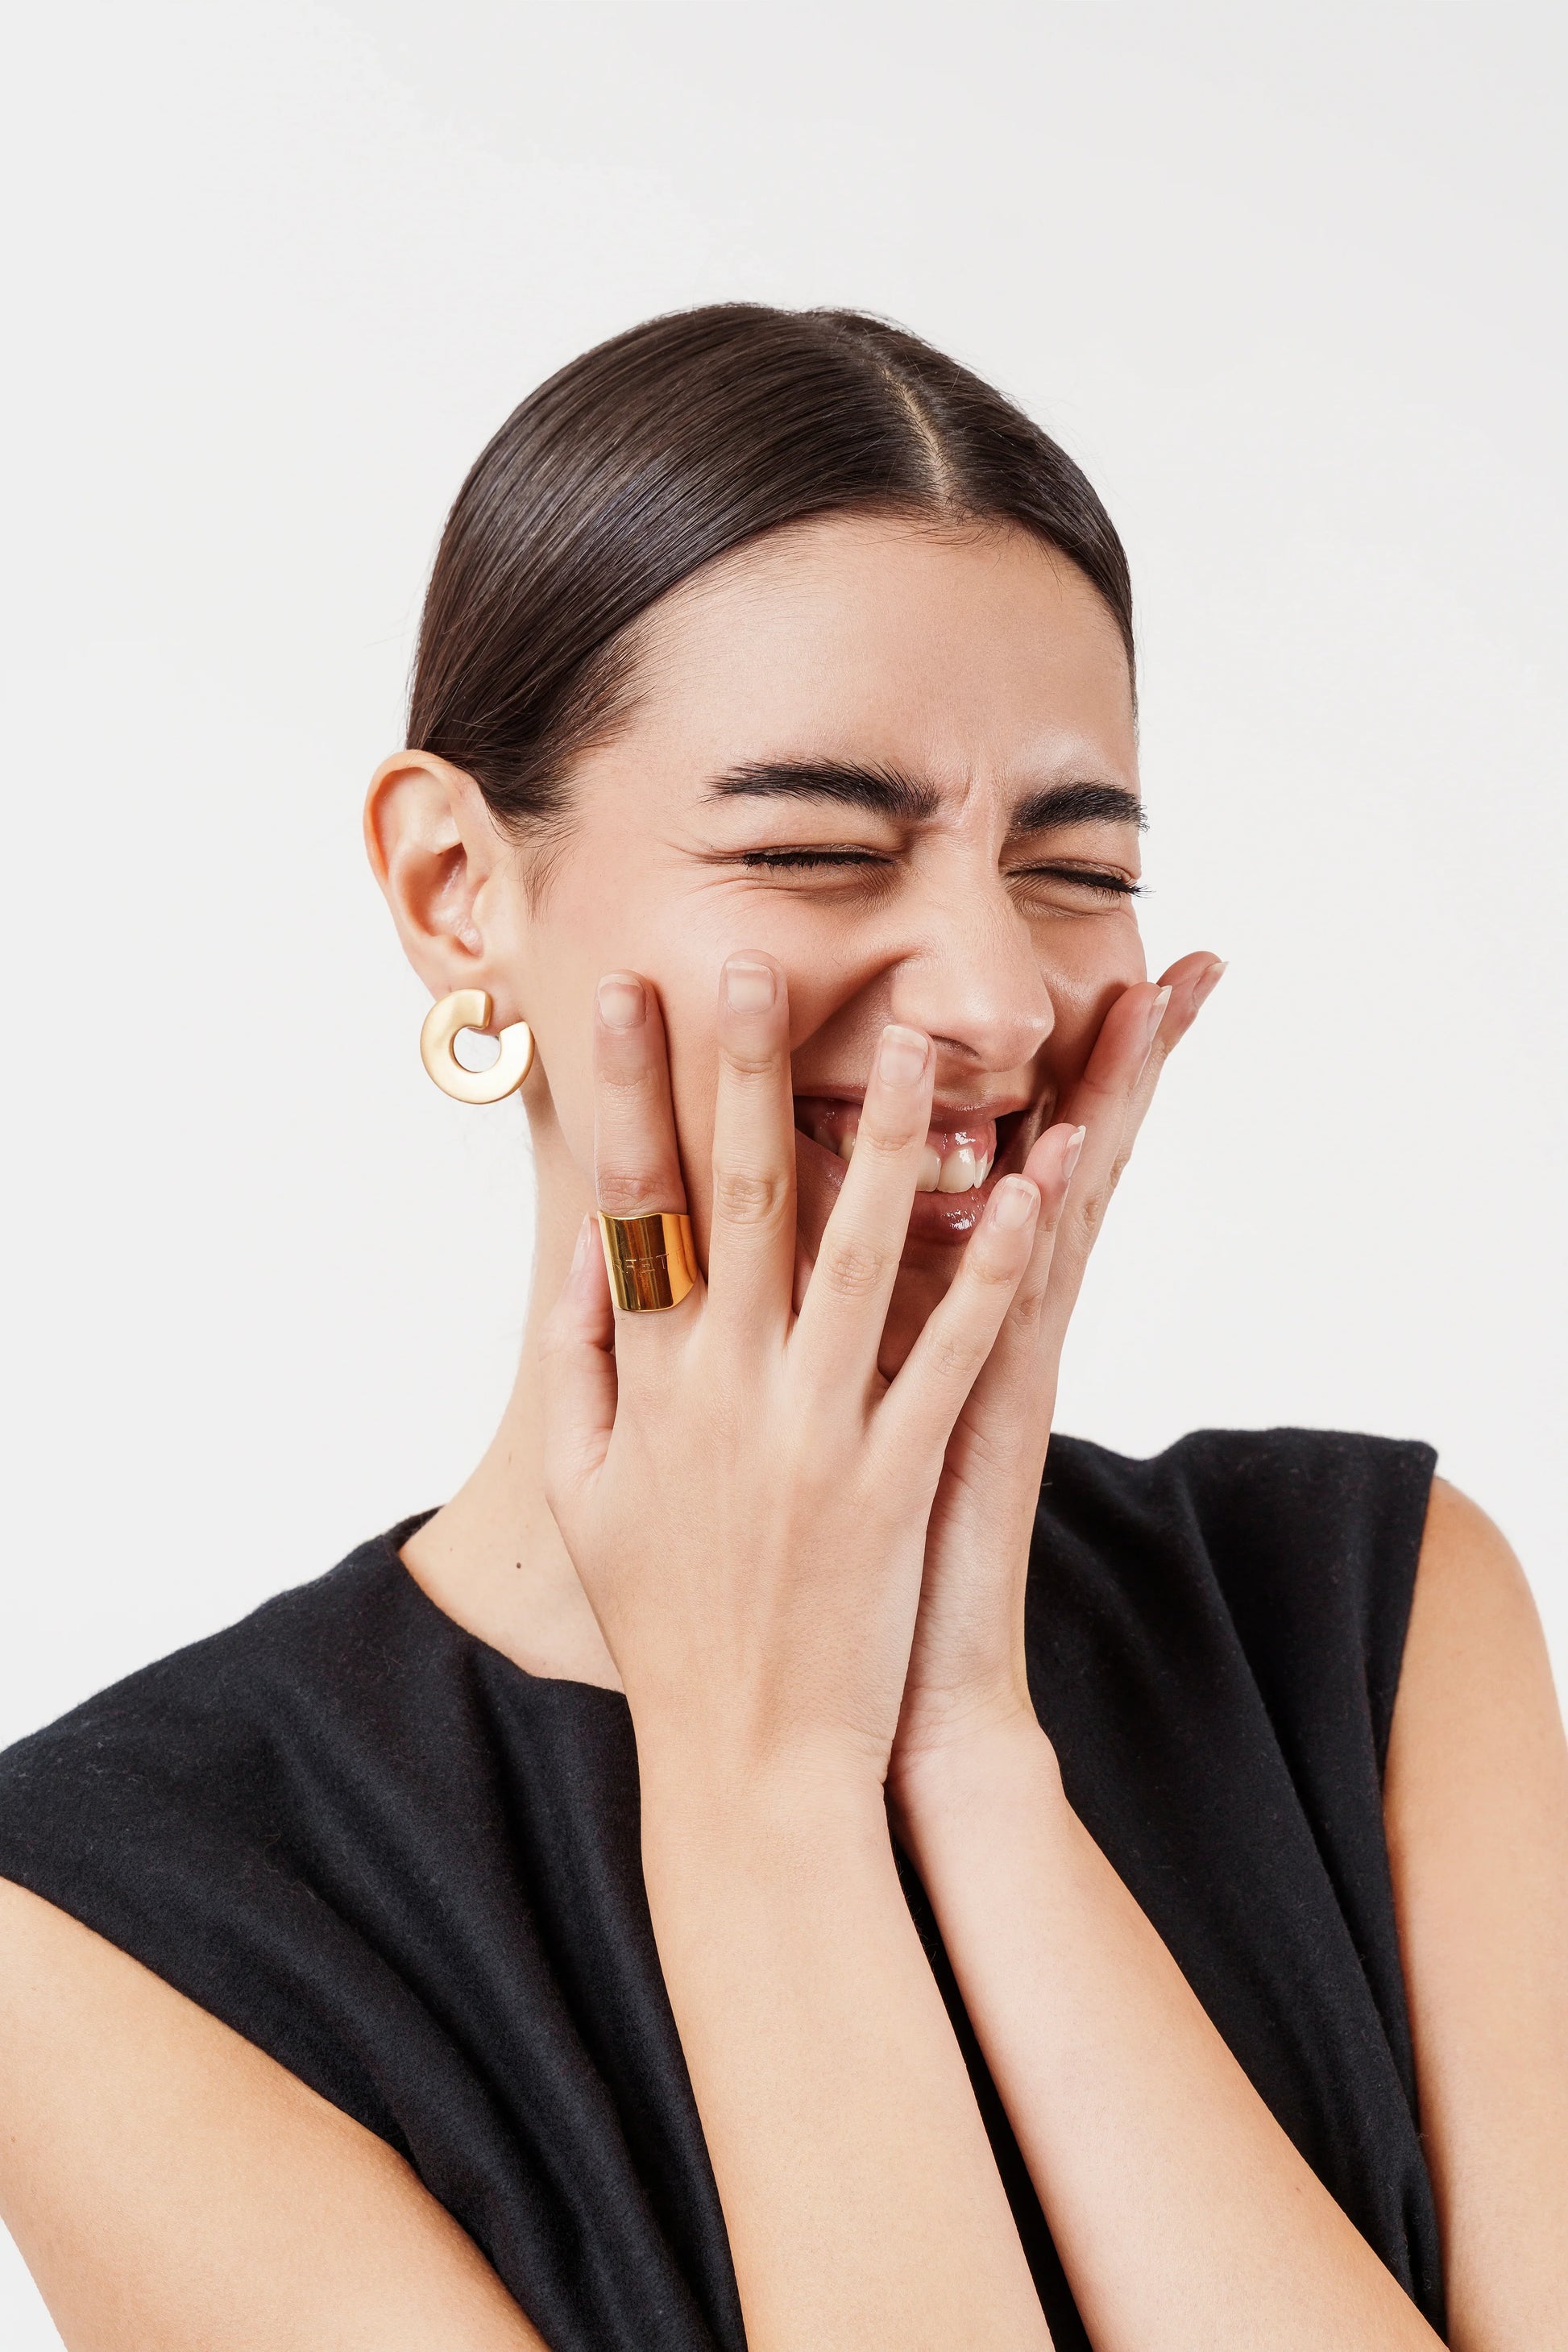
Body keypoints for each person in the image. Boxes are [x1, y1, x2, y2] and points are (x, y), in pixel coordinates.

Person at [0, 305, 1563, 2352]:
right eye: (813, 849)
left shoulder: (1370, 1611)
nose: (995, 996)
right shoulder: (117, 1913)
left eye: (1073, 862)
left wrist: (971, 1750)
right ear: (458, 885)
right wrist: (768, 1792)